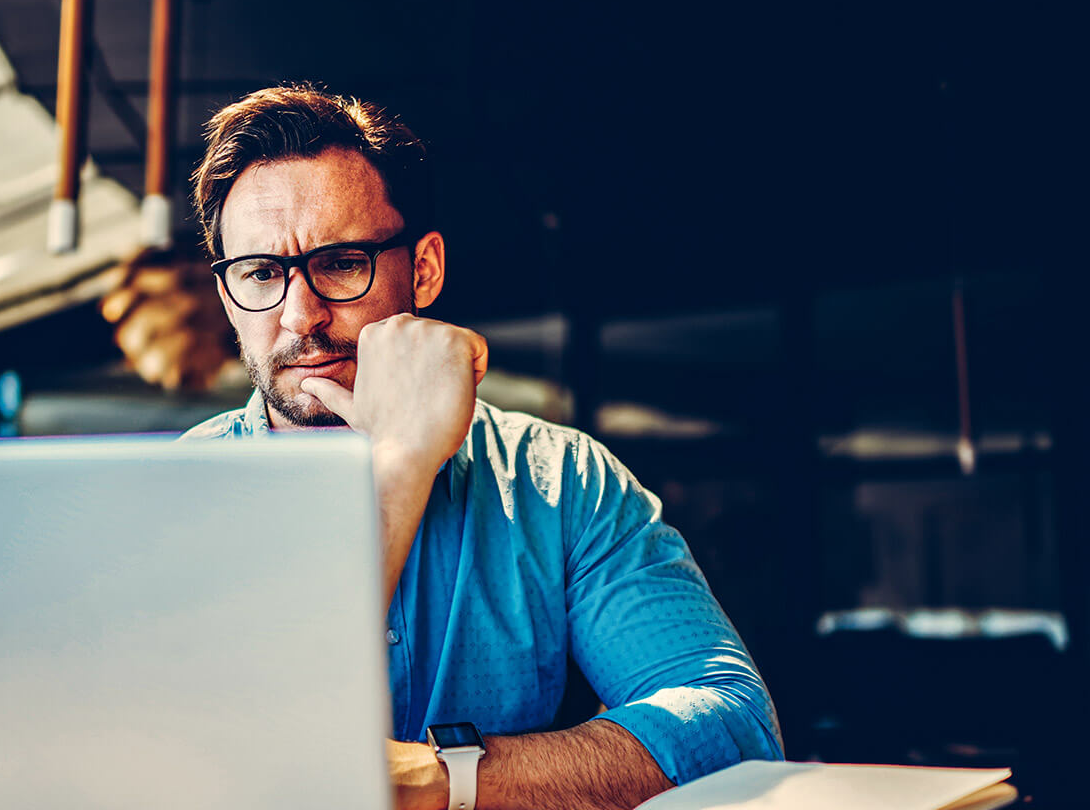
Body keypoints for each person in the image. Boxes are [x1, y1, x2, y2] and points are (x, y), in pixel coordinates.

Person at [182, 85, 782, 810]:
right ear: (227, 294)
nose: (300, 314)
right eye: (260, 274)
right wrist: (400, 463)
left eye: (341, 262)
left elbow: (734, 727)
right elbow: (222, 770)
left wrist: (445, 778)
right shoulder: (168, 502)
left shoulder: (564, 485)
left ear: (424, 269)